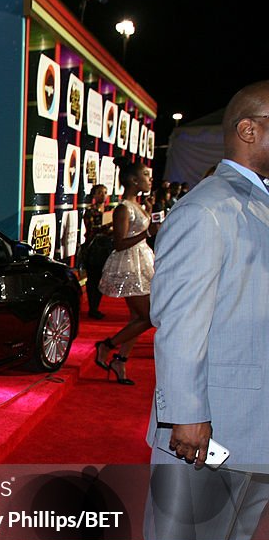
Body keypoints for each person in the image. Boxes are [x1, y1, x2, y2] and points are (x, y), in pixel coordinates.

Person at [130, 80, 269, 540]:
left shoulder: (257, 203)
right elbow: (180, 320)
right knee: (188, 529)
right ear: (249, 129)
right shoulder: (209, 208)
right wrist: (183, 412)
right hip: (211, 413)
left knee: (240, 519)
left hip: (255, 407)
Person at [93, 158, 159, 384]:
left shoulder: (139, 205)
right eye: (146, 176)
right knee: (149, 317)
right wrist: (147, 233)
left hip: (142, 263)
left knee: (137, 317)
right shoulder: (123, 208)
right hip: (130, 266)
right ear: (133, 180)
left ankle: (120, 361)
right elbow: (119, 243)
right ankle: (106, 346)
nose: (150, 179)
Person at [79, 184, 113, 319]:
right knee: (93, 279)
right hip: (93, 249)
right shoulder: (90, 211)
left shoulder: (110, 210)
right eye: (99, 192)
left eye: (105, 192)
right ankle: (92, 308)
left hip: (107, 248)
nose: (103, 195)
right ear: (94, 195)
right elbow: (92, 229)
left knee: (101, 279)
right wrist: (109, 226)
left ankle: (96, 307)